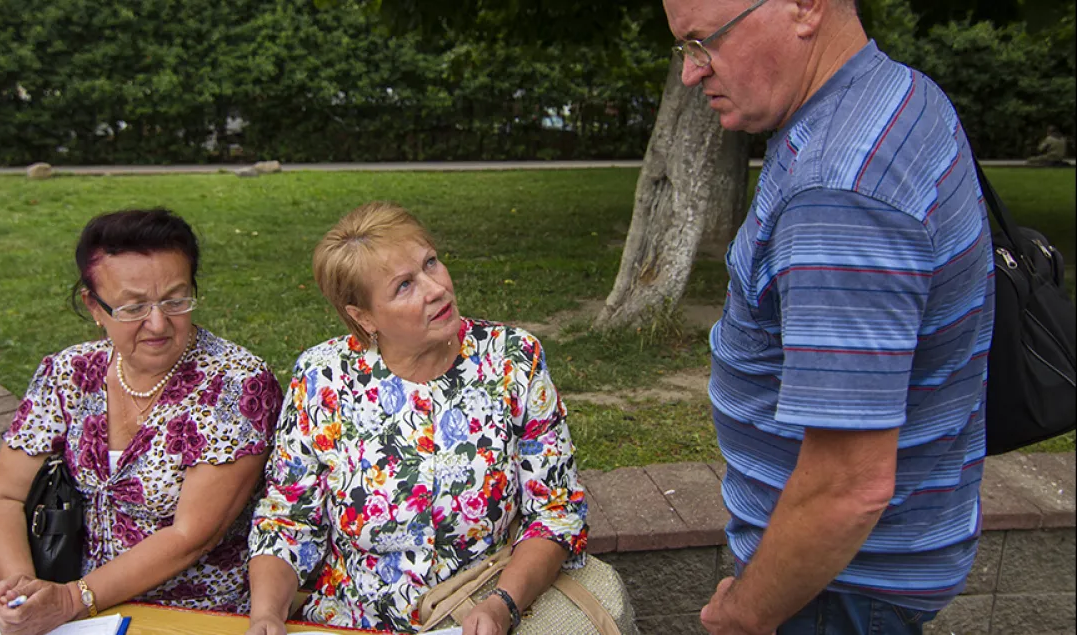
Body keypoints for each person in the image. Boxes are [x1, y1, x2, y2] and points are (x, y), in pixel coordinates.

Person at [661, 0, 996, 633]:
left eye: (705, 41)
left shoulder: (840, 192)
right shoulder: (895, 94)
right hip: (863, 573)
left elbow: (848, 485)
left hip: (837, 591)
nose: (690, 73)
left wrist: (746, 613)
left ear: (804, 7)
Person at [245, 202, 589, 635]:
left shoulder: (512, 359)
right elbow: (288, 518)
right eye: (405, 285)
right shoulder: (321, 378)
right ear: (363, 316)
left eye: (431, 263)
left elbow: (556, 510)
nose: (436, 288)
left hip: (480, 612)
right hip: (355, 622)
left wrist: (504, 604)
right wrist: (267, 617)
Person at [0, 209, 282, 634]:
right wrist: (24, 590)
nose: (158, 323)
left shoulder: (236, 384)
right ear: (94, 306)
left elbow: (190, 537)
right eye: (133, 307)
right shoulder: (69, 372)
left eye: (176, 300)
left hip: (184, 607)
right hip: (64, 594)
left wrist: (72, 599)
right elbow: (0, 496)